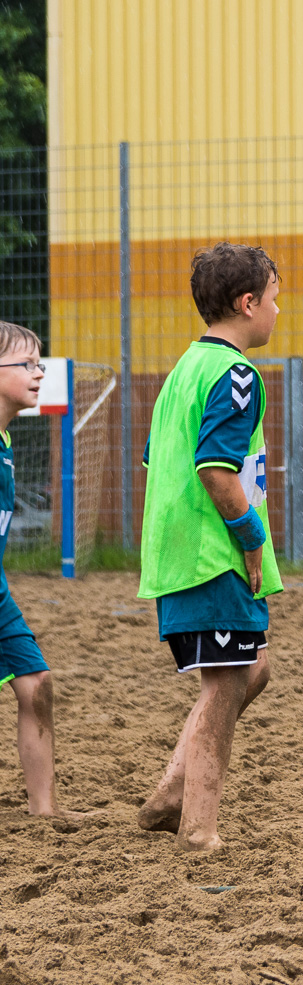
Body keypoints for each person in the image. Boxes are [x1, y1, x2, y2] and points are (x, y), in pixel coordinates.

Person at [136, 242, 283, 852]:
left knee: (255, 668)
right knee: (224, 683)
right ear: (248, 303)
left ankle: (172, 792)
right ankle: (198, 830)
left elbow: (154, 458)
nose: (280, 309)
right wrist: (250, 538)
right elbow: (216, 470)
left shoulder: (183, 370)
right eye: (276, 297)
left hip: (181, 548)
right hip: (209, 551)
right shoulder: (236, 374)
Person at [0, 323, 69, 817]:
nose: (39, 372)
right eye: (26, 364)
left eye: (40, 363)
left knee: (36, 682)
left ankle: (43, 811)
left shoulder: (4, 440)